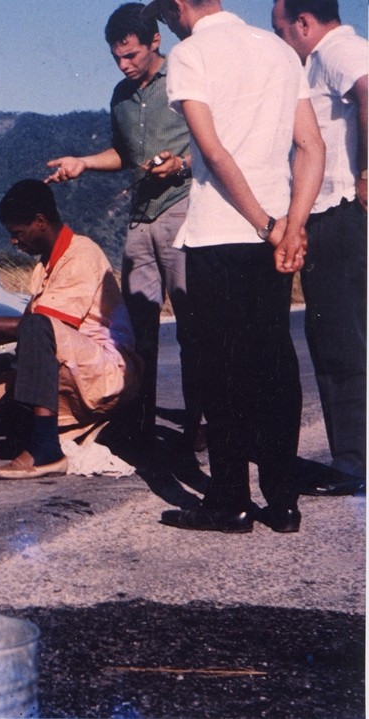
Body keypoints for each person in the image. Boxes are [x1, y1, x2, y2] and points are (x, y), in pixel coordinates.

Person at [143, 0, 325, 533]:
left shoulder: (190, 54)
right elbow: (311, 145)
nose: (166, 23)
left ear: (178, 6)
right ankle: (283, 500)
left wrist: (267, 225)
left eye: (164, 14)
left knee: (220, 372)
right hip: (276, 232)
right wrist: (292, 225)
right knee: (274, 361)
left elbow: (215, 153)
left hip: (222, 233)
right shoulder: (279, 50)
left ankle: (230, 501)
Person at [45, 2, 203, 452]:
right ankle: (140, 424)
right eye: (116, 57)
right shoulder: (120, 95)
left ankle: (201, 424)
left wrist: (181, 164)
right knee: (135, 332)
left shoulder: (184, 76)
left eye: (131, 55)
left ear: (155, 41)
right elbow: (123, 153)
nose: (124, 65)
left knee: (193, 326)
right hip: (141, 219)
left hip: (185, 210)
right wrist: (83, 163)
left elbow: (213, 141)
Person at [0, 180, 140, 480]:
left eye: (17, 233)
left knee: (37, 328)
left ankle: (46, 450)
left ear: (40, 222)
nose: (14, 242)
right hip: (74, 367)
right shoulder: (44, 267)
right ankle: (51, 430)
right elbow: (33, 326)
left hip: (105, 373)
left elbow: (39, 327)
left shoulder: (81, 254)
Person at [271, 0, 367, 496]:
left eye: (282, 31)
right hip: (332, 215)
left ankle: (354, 463)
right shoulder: (327, 57)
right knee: (339, 335)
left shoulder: (336, 50)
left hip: (341, 213)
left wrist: (368, 171)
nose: (282, 44)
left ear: (304, 24)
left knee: (340, 340)